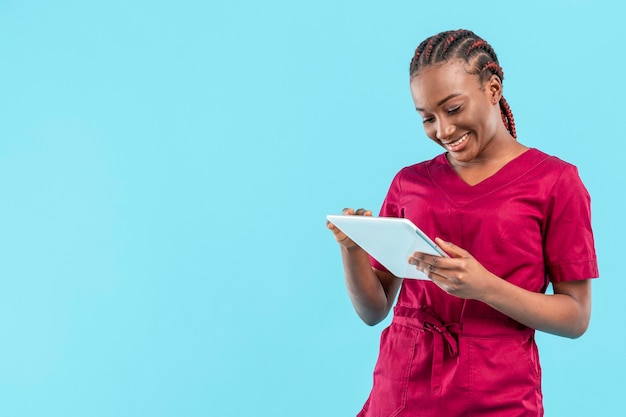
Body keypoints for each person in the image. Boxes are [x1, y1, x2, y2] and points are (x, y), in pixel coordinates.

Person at [327, 29, 598, 417]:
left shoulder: (555, 182)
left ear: (493, 88)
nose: (443, 131)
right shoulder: (410, 183)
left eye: (453, 109)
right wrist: (352, 251)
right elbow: (374, 311)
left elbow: (576, 316)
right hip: (403, 387)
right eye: (427, 119)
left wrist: (484, 287)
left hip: (498, 393)